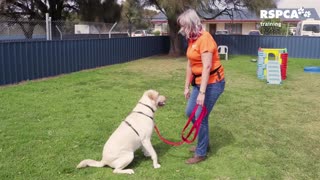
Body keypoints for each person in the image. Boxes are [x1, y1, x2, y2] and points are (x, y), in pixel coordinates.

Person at [177, 9, 225, 164]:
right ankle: (204, 143)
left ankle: (201, 152)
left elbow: (206, 66)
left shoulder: (205, 38)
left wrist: (202, 93)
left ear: (192, 24)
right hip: (199, 83)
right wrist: (186, 87)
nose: (182, 30)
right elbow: (190, 64)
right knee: (190, 111)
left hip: (213, 83)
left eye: (184, 26)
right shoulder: (192, 39)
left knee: (200, 116)